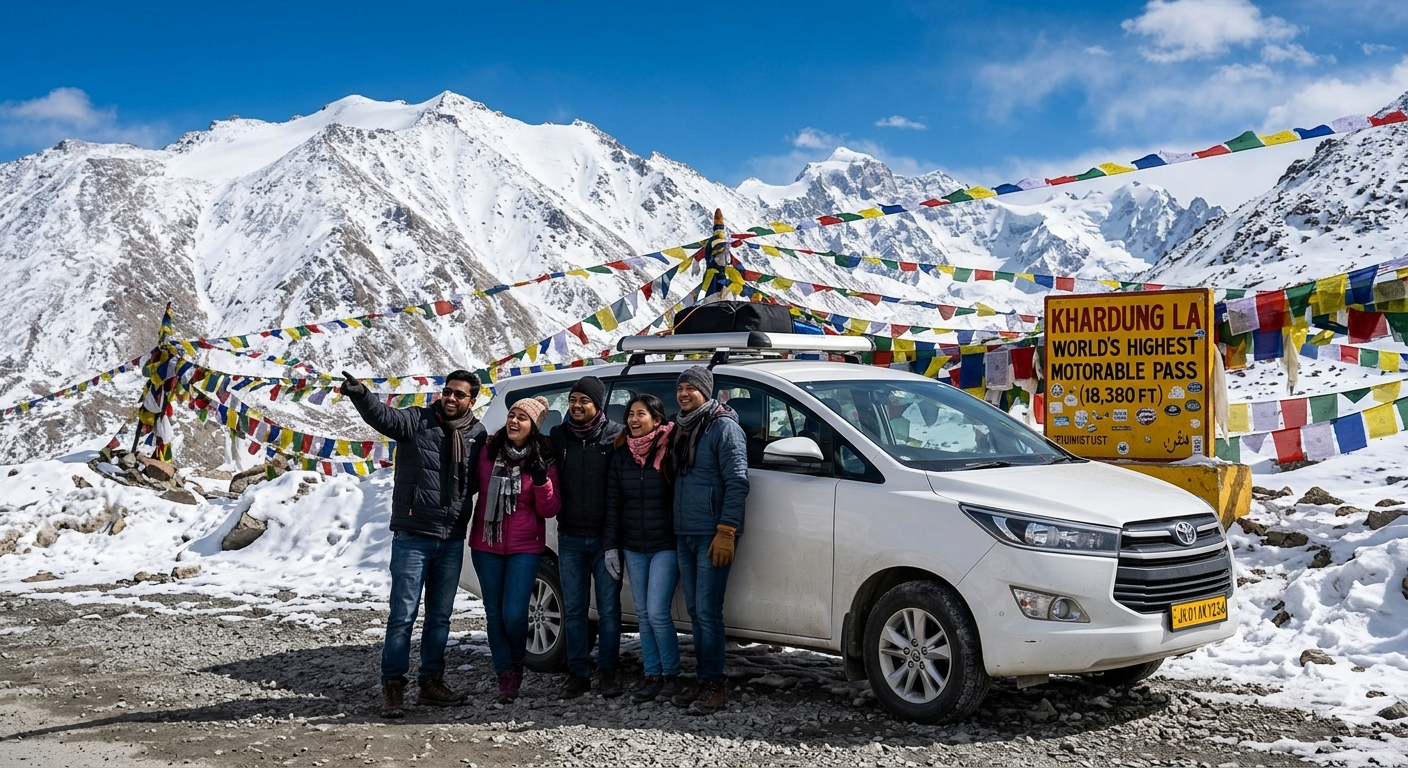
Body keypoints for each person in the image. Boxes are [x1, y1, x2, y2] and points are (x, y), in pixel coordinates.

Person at [342, 369, 486, 719]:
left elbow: (481, 478)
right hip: (413, 534)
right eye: (447, 392)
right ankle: (393, 686)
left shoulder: (477, 434)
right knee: (403, 615)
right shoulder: (416, 420)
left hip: (451, 537)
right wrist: (361, 394)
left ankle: (431, 683)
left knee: (440, 617)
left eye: (459, 395)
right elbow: (384, 416)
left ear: (472, 400)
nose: (451, 399)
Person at [668, 366, 750, 715]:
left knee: (707, 611)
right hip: (685, 531)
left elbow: (738, 481)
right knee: (694, 612)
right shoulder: (682, 428)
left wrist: (726, 529)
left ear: (706, 391)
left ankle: (714, 684)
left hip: (712, 533)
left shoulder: (723, 427)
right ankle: (703, 680)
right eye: (681, 388)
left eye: (691, 388)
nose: (684, 394)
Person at [468, 396, 560, 704]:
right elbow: (469, 487)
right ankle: (505, 673)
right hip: (486, 543)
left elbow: (549, 509)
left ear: (533, 425)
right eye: (512, 415)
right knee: (494, 613)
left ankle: (517, 660)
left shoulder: (543, 456)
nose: (514, 421)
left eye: (522, 417)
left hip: (525, 546)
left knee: (515, 613)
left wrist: (540, 480)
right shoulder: (487, 451)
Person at [547, 376, 625, 698]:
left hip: (606, 539)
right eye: (573, 399)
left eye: (584, 401)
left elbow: (620, 488)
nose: (577, 406)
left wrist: (613, 538)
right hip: (570, 537)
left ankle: (608, 671)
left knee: (608, 608)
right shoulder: (558, 436)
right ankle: (578, 673)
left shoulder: (615, 436)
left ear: (598, 404)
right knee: (576, 609)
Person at [602, 394, 680, 704]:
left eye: (641, 414)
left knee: (658, 612)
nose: (634, 419)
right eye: (630, 414)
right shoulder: (621, 455)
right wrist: (611, 546)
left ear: (658, 419)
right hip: (633, 545)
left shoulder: (670, 449)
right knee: (644, 615)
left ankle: (672, 676)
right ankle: (652, 675)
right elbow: (613, 503)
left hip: (665, 543)